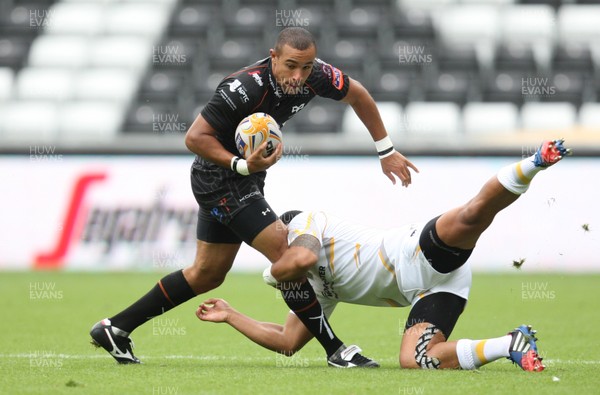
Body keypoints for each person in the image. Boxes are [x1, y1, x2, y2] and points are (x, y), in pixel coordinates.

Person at [90, 27, 417, 367]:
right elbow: (195, 137)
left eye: (305, 68)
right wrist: (240, 164)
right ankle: (336, 350)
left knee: (206, 273)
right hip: (222, 179)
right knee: (286, 254)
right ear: (273, 57)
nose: (298, 76)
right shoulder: (243, 89)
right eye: (291, 65)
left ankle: (116, 327)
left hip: (245, 177)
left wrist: (386, 151)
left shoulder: (315, 75)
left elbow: (358, 95)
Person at [196, 139, 571, 371]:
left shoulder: (303, 223)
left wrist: (275, 275)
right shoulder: (317, 291)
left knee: (473, 215)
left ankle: (535, 161)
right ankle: (511, 343)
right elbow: (286, 342)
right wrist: (231, 315)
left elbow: (300, 261)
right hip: (432, 292)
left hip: (414, 252)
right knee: (415, 360)